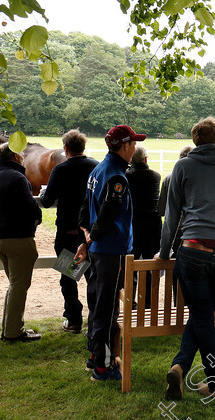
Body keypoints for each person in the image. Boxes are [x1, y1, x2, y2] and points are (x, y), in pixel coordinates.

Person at [158, 117, 215, 401]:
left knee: (200, 314)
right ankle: (187, 368)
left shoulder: (182, 166)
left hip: (194, 250)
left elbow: (172, 217)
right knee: (203, 314)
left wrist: (164, 253)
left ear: (196, 141)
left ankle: (213, 381)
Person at [76, 124, 144, 381]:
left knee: (97, 303)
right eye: (133, 143)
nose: (135, 147)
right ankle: (103, 366)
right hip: (112, 250)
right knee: (106, 308)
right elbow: (107, 214)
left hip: (98, 249)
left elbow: (84, 207)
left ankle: (95, 355)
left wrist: (86, 236)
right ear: (125, 146)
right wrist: (93, 235)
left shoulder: (98, 169)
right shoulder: (117, 176)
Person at [39, 129, 99, 333]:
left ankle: (74, 320)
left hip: (69, 233)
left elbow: (46, 202)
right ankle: (96, 319)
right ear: (83, 147)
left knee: (69, 278)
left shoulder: (61, 169)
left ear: (66, 148)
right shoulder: (96, 167)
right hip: (92, 235)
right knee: (94, 278)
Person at [0, 143, 43, 342]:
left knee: (14, 286)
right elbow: (30, 206)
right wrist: (38, 214)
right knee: (19, 287)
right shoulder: (18, 178)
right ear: (14, 157)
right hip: (18, 239)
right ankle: (13, 332)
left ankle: (9, 328)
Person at [126, 144, 161, 306]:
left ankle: (131, 301)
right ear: (146, 159)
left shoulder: (126, 176)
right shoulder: (155, 176)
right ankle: (147, 304)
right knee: (149, 266)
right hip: (152, 226)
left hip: (133, 225)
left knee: (130, 264)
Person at [157, 145, 193, 258]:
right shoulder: (198, 180)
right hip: (191, 230)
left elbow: (162, 209)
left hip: (174, 230)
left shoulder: (168, 179)